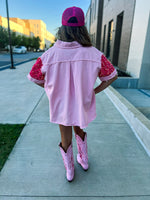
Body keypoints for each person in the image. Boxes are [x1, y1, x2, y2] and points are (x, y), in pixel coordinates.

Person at [27, 6, 118, 182]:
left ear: (62, 28)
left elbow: (35, 77)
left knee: (64, 136)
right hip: (81, 102)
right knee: (80, 128)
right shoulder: (94, 53)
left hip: (61, 104)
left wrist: (51, 89)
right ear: (83, 28)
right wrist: (94, 91)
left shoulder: (49, 55)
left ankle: (69, 170)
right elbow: (111, 76)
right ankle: (83, 160)